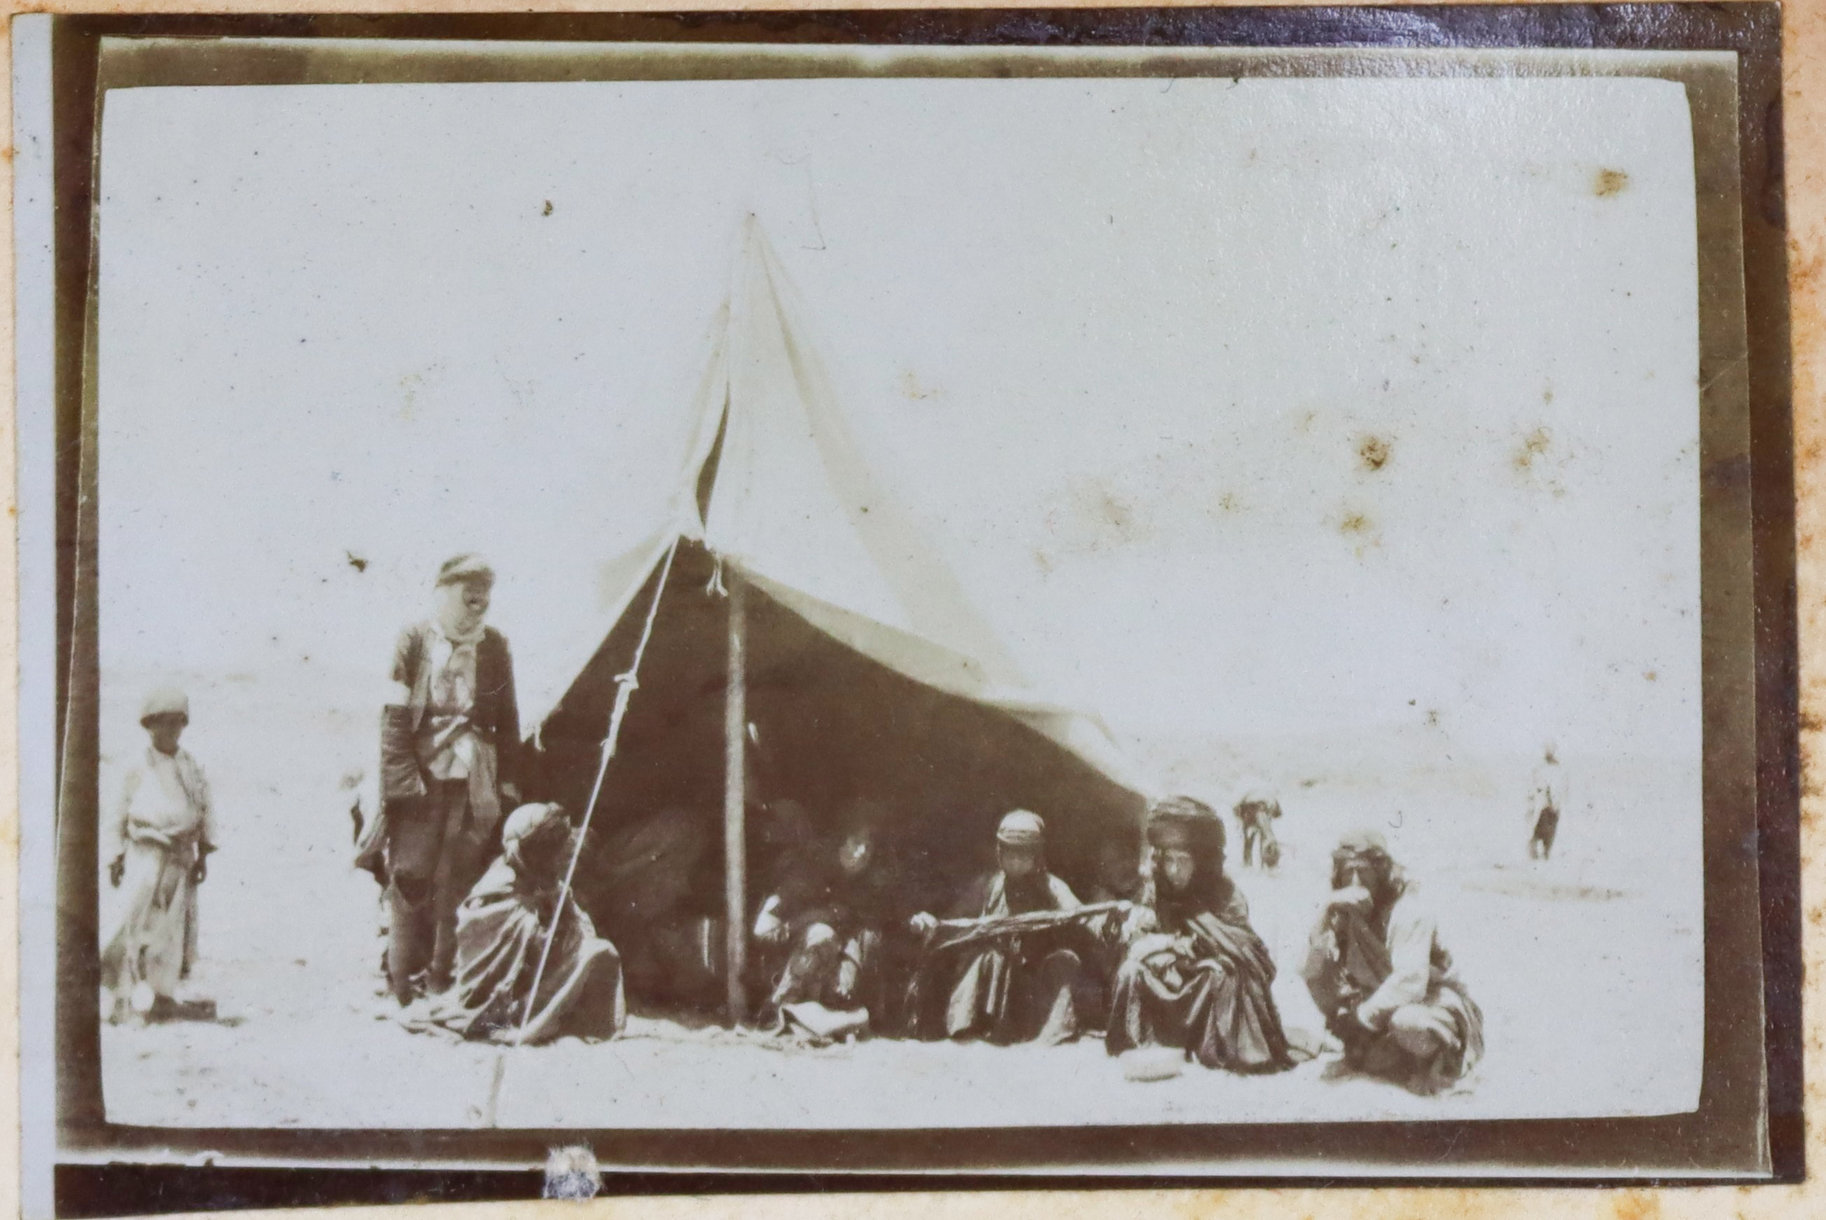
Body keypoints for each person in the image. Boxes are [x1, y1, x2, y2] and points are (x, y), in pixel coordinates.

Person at [367, 554, 523, 1005]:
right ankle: (400, 980)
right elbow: (395, 716)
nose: (479, 601)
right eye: (469, 591)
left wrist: (507, 782)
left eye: (485, 593)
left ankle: (442, 978)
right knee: (410, 875)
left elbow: (507, 716)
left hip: (473, 778)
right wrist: (403, 783)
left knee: (458, 878)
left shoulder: (494, 646)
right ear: (447, 591)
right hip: (420, 777)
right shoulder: (415, 640)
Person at [1106, 797, 1293, 1073]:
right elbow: (1138, 940)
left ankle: (1210, 1047)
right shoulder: (1154, 889)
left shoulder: (1224, 892)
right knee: (1129, 971)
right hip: (1165, 971)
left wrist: (1193, 950)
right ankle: (1138, 1043)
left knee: (1224, 975)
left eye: (1183, 861)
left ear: (1200, 861)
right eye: (1169, 860)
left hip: (1201, 977)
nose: (1173, 870)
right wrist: (1161, 944)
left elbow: (1244, 948)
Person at [415, 802, 625, 1044]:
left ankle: (576, 1016)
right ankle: (530, 1018)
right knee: (595, 952)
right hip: (502, 997)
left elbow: (579, 924)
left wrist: (564, 913)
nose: (556, 858)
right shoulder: (498, 890)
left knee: (601, 951)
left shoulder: (543, 878)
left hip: (535, 977)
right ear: (532, 850)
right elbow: (521, 947)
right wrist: (550, 925)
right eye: (550, 850)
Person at [1299, 830, 1484, 1094]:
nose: (1355, 881)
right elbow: (1308, 968)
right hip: (1380, 1002)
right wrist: (1326, 911)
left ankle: (1437, 1062)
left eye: (1364, 872)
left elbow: (1410, 982)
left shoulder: (1409, 910)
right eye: (1348, 872)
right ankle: (1369, 1048)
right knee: (1320, 979)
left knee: (1407, 1023)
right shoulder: (1346, 910)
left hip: (1430, 1002)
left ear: (1380, 872)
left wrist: (1360, 1018)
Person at [905, 810, 1096, 1046]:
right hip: (994, 976)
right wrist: (929, 923)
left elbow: (1084, 916)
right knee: (986, 956)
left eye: (1023, 855)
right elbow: (952, 921)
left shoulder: (1053, 887)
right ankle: (968, 1028)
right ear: (999, 853)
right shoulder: (988, 885)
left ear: (1037, 855)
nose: (1015, 861)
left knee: (1065, 960)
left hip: (1033, 982)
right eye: (1009, 854)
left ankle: (1048, 1034)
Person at [102, 687, 218, 1022]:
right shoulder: (135, 766)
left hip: (180, 857)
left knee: (170, 931)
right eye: (161, 723)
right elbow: (116, 812)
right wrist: (115, 856)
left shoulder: (190, 766)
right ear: (149, 725)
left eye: (175, 723)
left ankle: (161, 997)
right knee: (131, 922)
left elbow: (205, 809)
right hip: (145, 853)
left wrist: (203, 853)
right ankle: (120, 997)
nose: (169, 730)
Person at [752, 800, 901, 1028]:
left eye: (868, 847)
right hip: (782, 967)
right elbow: (762, 931)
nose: (862, 852)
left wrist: (850, 964)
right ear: (841, 841)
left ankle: (827, 1011)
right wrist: (813, 917)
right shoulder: (808, 873)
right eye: (856, 841)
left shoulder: (863, 885)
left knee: (866, 938)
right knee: (822, 934)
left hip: (829, 971)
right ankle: (779, 1008)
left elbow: (860, 930)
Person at [1233, 790, 1282, 869]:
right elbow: (1277, 814)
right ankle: (1255, 865)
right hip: (1253, 810)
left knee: (1251, 841)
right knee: (1258, 839)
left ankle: (1249, 864)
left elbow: (1276, 814)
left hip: (1250, 810)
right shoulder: (1268, 799)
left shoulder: (1263, 799)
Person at [1528, 785, 1560, 860]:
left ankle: (1543, 856)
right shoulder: (1544, 810)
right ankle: (1539, 856)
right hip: (1544, 824)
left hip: (1547, 824)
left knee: (1543, 843)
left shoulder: (1547, 810)